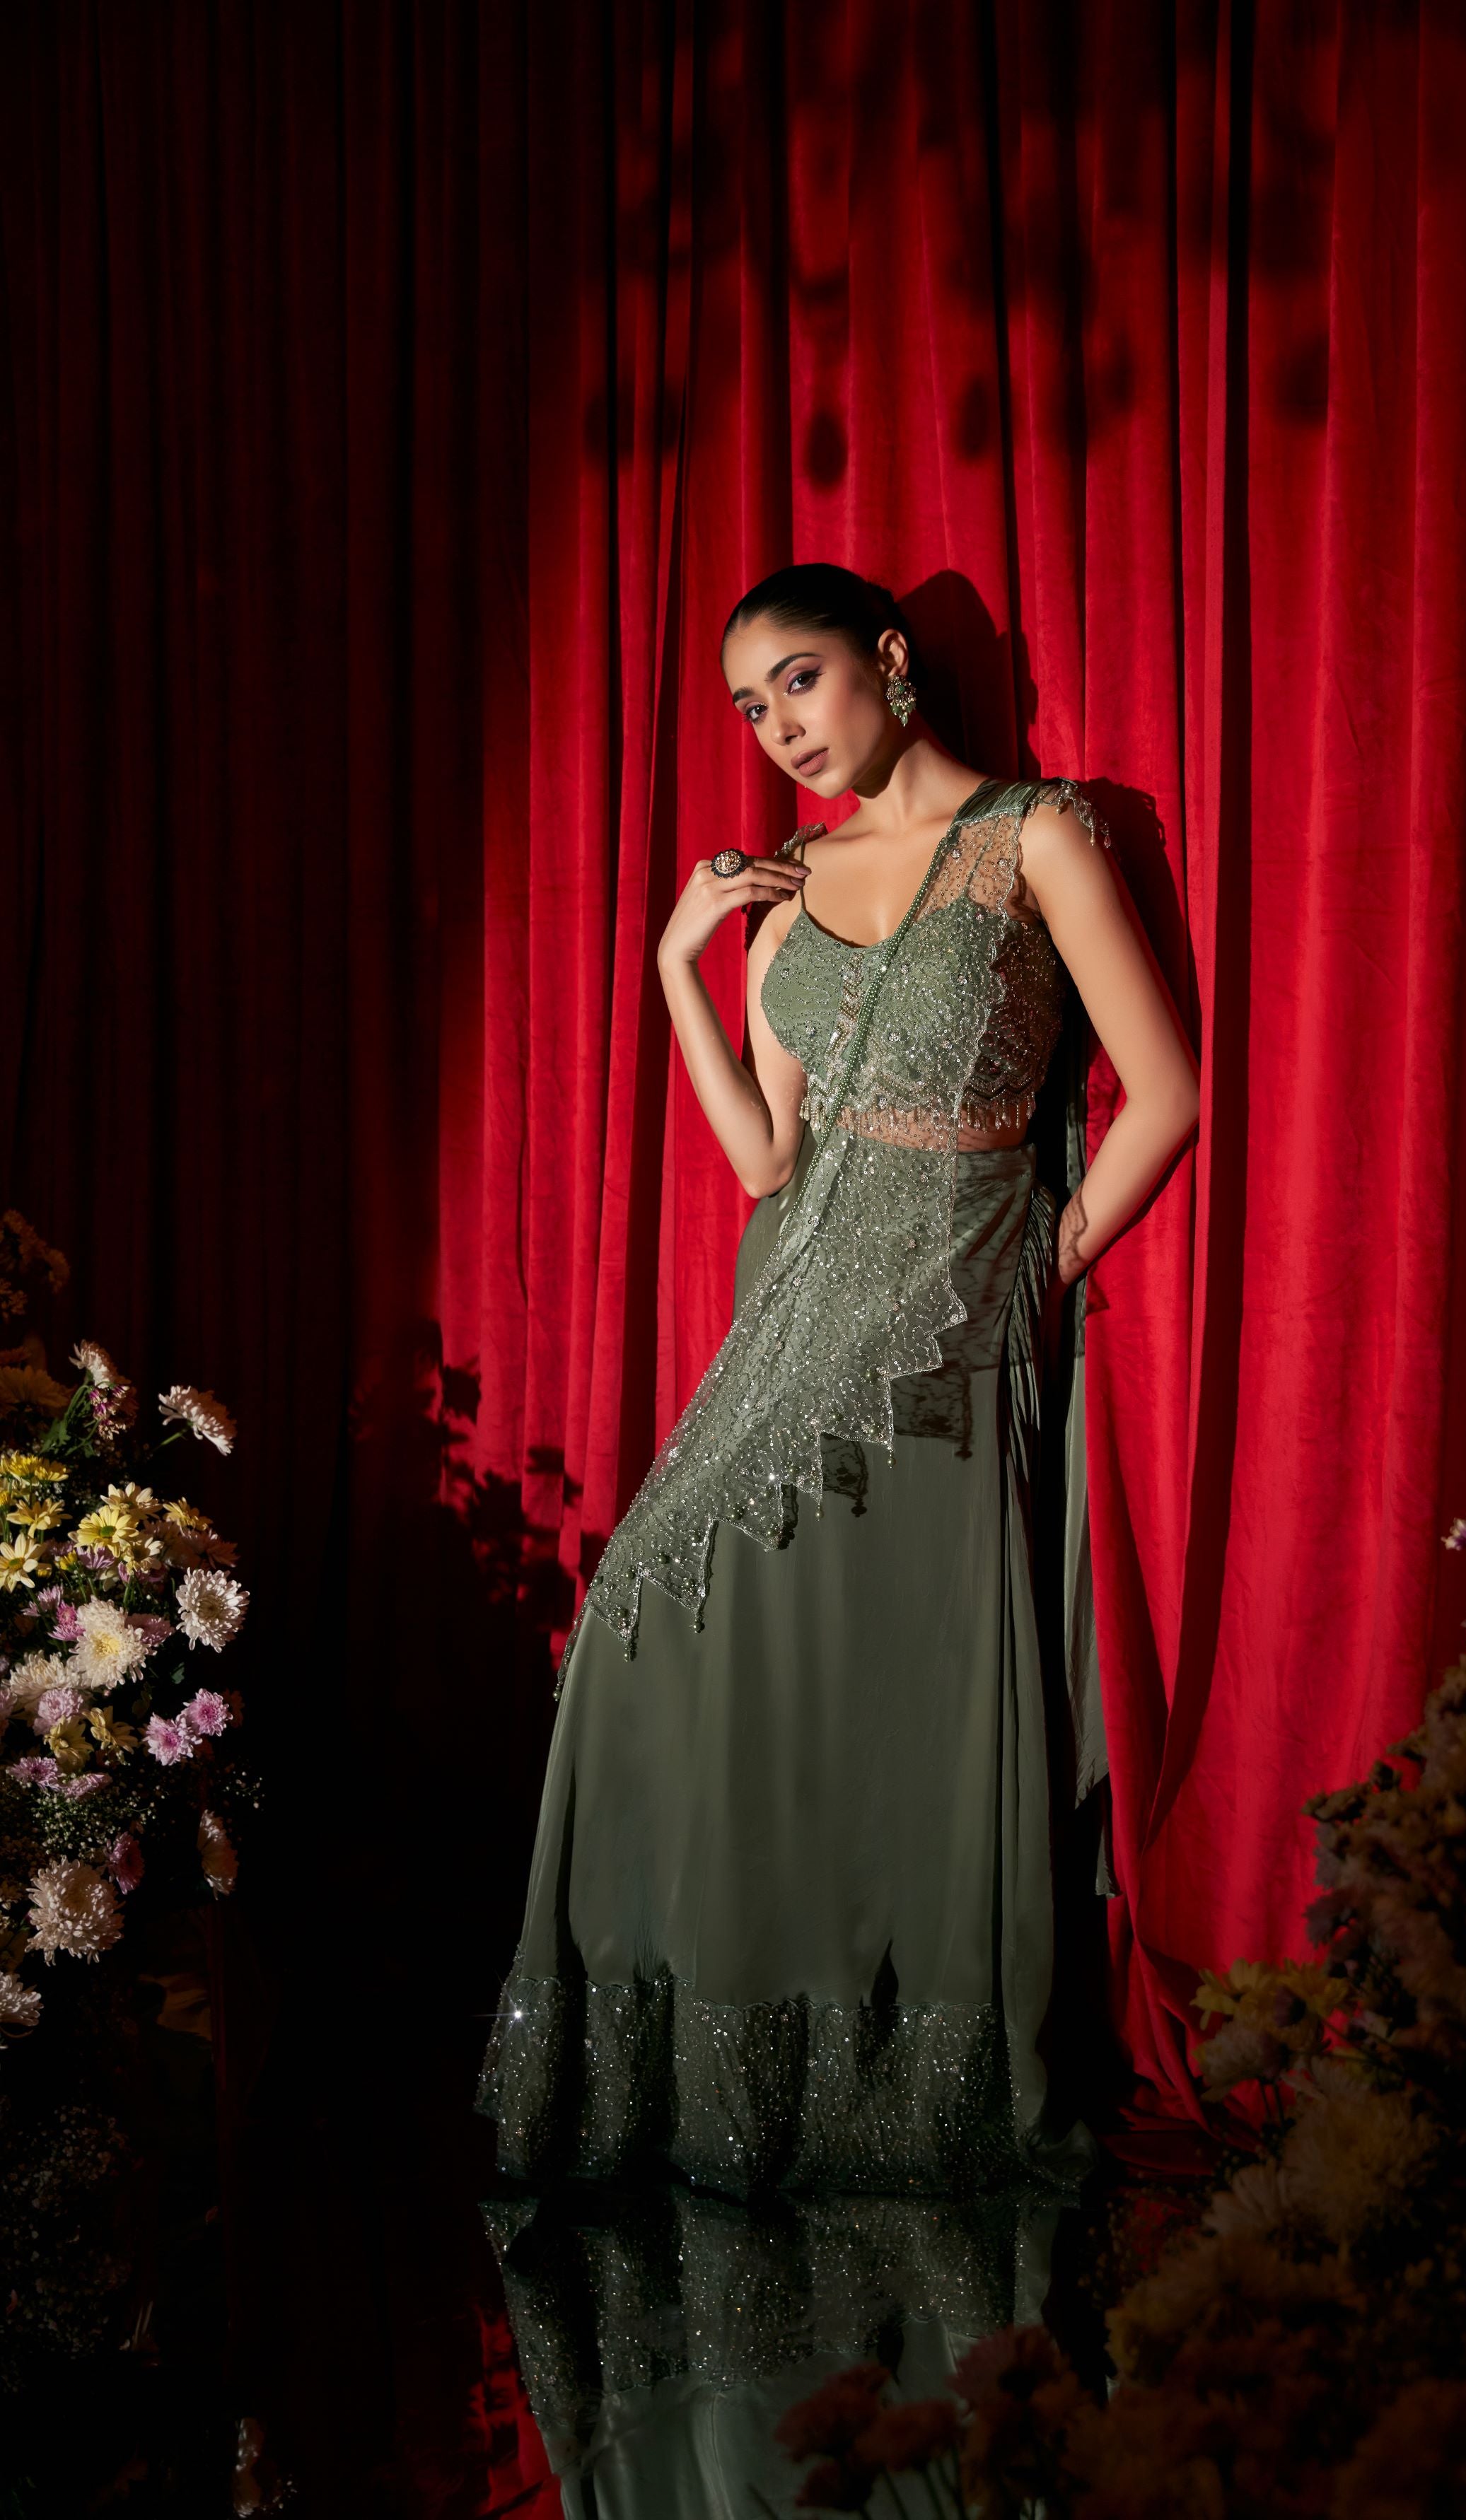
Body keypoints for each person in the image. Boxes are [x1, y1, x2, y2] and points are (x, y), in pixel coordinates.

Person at [477, 564, 1200, 2198]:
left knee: (901, 1705)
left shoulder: (1037, 837)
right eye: (751, 708)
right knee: (640, 1637)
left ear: (887, 658)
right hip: (788, 1322)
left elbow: (1163, 1090)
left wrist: (1040, 1261)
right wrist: (680, 967)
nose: (779, 729)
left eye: (797, 681)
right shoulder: (787, 885)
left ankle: (906, 2073)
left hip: (952, 1338)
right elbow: (765, 1158)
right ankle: (722, 2070)